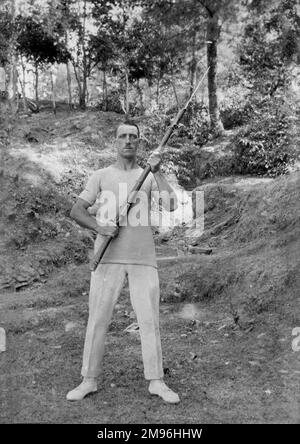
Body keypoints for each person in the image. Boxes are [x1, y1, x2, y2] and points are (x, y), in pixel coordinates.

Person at [66, 121, 180, 404]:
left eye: (133, 137)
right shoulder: (101, 176)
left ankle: (156, 380)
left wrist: (159, 171)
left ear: (139, 143)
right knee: (98, 319)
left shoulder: (149, 176)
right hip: (107, 258)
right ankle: (88, 379)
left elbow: (172, 205)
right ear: (115, 142)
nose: (128, 141)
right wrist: (100, 228)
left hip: (143, 258)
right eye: (123, 136)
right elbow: (76, 210)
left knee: (149, 320)